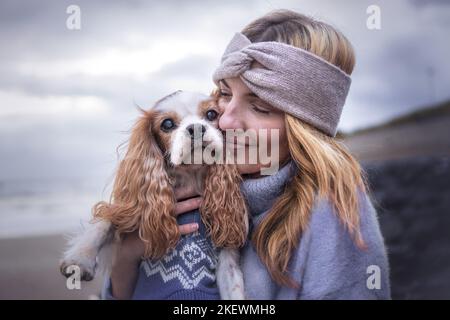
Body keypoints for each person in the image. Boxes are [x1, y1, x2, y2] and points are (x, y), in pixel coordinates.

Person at [103, 9, 390, 300]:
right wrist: (125, 258)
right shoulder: (190, 187)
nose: (225, 121)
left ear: (303, 129)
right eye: (225, 94)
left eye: (260, 107)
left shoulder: (333, 216)